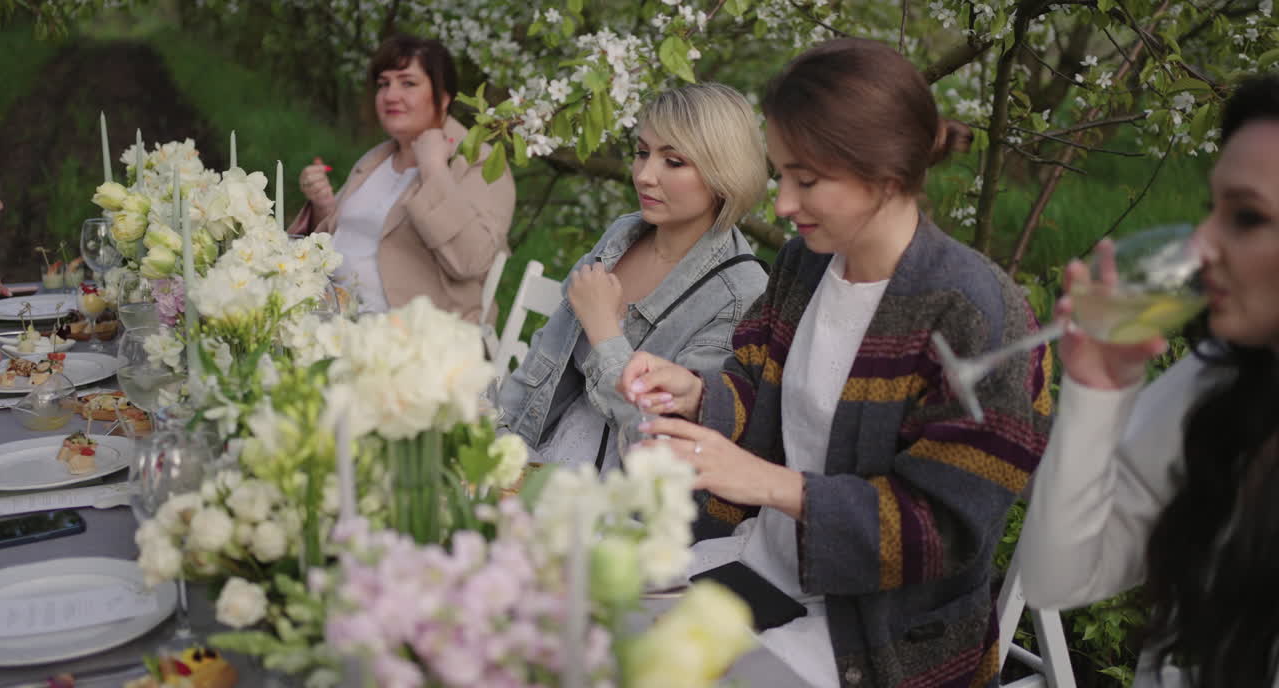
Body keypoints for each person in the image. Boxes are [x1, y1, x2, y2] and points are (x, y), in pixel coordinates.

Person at [619, 39, 1054, 688]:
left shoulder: (978, 317)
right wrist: (698, 395)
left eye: (806, 180)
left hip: (877, 638)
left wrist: (766, 483)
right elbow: (755, 381)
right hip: (757, 569)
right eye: (782, 175)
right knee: (577, 629)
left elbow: (944, 531)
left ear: (883, 177)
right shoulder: (806, 264)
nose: (784, 205)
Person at [1019, 75, 1279, 688]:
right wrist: (1097, 392)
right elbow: (1056, 577)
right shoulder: (1216, 384)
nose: (1202, 244)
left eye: (1247, 217)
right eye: (1210, 209)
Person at [497, 83, 768, 472]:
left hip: (619, 500)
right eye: (642, 153)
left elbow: (662, 444)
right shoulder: (622, 236)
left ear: (724, 172)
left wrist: (605, 332)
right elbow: (545, 358)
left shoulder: (741, 295)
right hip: (540, 455)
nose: (644, 175)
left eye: (673, 162)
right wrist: (497, 444)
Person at [289, 34, 515, 321]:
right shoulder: (377, 158)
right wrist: (323, 205)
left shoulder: (479, 163)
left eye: (408, 83)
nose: (390, 95)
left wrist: (434, 171)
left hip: (411, 338)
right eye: (384, 84)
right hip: (327, 313)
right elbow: (343, 236)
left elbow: (472, 261)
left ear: (443, 97)